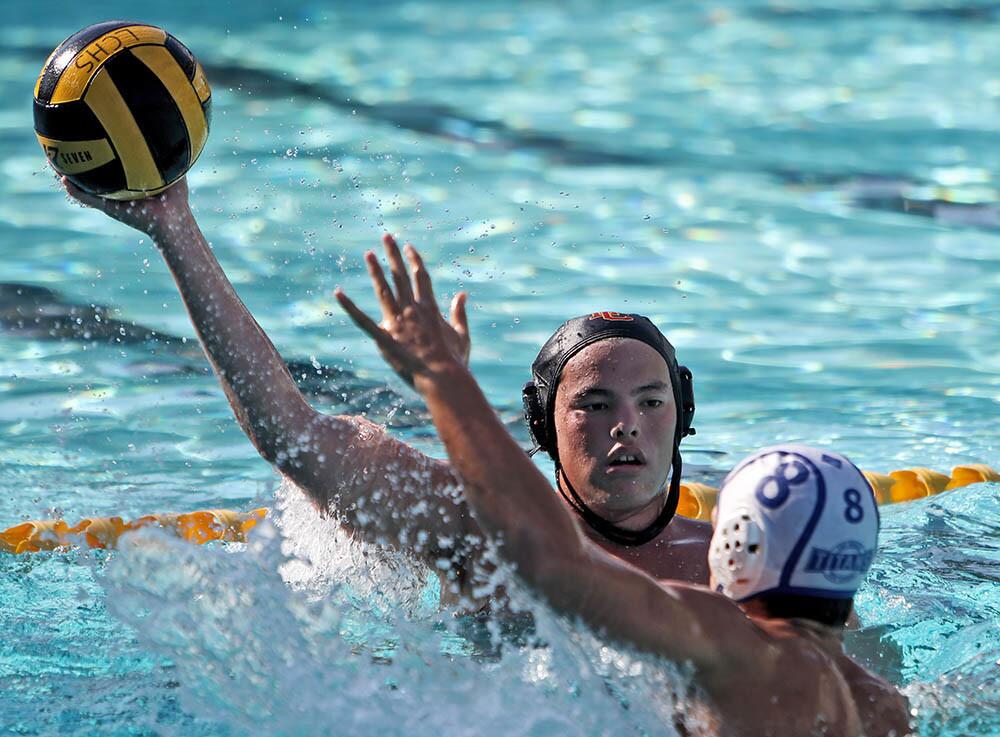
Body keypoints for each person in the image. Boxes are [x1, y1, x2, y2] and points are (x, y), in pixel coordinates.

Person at [334, 260, 911, 737]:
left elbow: (551, 561)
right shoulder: (885, 707)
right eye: (595, 405)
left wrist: (442, 379)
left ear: (736, 549)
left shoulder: (722, 636)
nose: (626, 426)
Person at [59, 176, 710, 608]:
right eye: (595, 405)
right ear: (543, 428)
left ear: (681, 418)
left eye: (651, 402)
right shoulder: (479, 532)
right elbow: (292, 436)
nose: (627, 424)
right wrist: (172, 226)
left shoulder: (733, 563)